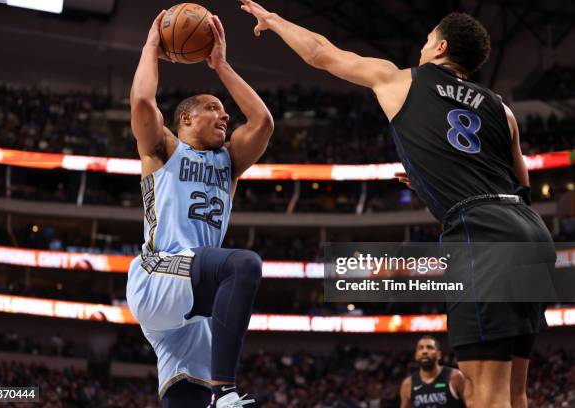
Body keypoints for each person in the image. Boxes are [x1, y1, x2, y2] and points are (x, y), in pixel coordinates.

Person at [240, 2, 556, 407]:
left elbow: (321, 53)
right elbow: (521, 183)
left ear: (440, 48)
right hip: (530, 233)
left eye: (426, 43)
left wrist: (275, 21)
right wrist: (438, 179)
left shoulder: (401, 79)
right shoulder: (502, 108)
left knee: (485, 392)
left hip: (482, 232)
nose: (421, 50)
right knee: (516, 391)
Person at [126, 10, 273, 408]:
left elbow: (262, 120)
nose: (225, 114)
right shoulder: (164, 149)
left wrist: (221, 65)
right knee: (243, 265)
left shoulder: (229, 161)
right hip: (159, 273)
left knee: (187, 393)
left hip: (191, 299)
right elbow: (141, 100)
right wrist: (152, 47)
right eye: (213, 108)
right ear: (186, 118)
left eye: (224, 110)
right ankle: (226, 390)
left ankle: (213, 393)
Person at [400, 336, 471, 407]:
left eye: (430, 347)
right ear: (416, 355)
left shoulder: (455, 376)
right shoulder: (408, 384)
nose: (425, 351)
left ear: (439, 355)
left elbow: (471, 405)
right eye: (420, 348)